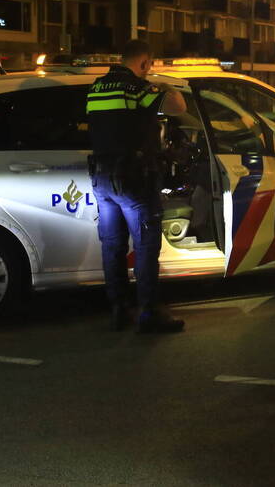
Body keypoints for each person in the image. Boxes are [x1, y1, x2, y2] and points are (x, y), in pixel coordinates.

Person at [87, 40, 188, 333]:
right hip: (133, 179)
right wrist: (163, 85)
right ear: (144, 63)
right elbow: (179, 107)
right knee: (145, 245)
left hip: (102, 178)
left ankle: (119, 310)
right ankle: (149, 313)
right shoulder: (138, 89)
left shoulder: (96, 88)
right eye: (149, 65)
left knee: (113, 246)